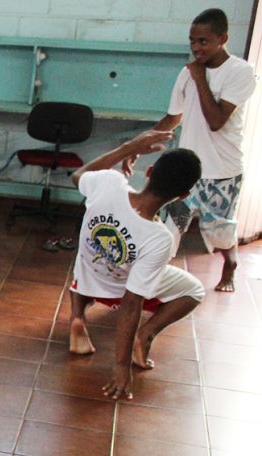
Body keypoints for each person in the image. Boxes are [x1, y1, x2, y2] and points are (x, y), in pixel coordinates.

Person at [68, 131, 204, 401]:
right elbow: (132, 302)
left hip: (86, 278)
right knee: (195, 290)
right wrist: (120, 366)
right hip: (118, 289)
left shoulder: (109, 183)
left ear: (150, 171)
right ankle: (147, 335)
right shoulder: (158, 238)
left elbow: (78, 176)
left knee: (91, 255)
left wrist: (127, 147)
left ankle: (77, 317)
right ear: (182, 195)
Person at [152, 7, 257, 292]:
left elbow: (217, 120)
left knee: (220, 232)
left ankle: (230, 263)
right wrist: (137, 147)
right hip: (188, 171)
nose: (196, 48)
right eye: (192, 41)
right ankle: (156, 279)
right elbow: (173, 118)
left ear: (223, 38)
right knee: (171, 227)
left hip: (222, 172)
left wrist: (200, 78)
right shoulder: (187, 73)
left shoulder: (241, 72)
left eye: (204, 41)